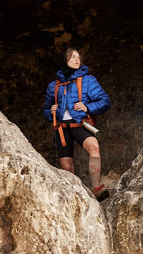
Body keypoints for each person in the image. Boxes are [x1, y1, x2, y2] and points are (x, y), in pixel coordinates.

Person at [43, 48, 111, 201]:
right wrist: (51, 111)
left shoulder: (88, 80)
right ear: (64, 60)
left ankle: (96, 189)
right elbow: (46, 110)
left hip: (80, 125)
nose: (77, 59)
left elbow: (105, 101)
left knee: (94, 146)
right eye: (72, 57)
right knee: (67, 168)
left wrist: (88, 107)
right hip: (61, 129)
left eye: (78, 57)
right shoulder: (53, 86)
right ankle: (73, 197)